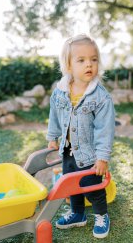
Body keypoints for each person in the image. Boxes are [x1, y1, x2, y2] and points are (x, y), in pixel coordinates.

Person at [46, 34, 115, 239]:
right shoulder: (60, 92)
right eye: (82, 60)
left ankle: (101, 215)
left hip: (89, 154)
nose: (89, 65)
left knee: (91, 186)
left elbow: (105, 129)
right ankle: (77, 214)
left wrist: (102, 158)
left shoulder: (100, 97)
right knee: (70, 184)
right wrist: (53, 136)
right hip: (67, 151)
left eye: (93, 59)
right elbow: (54, 116)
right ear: (68, 65)